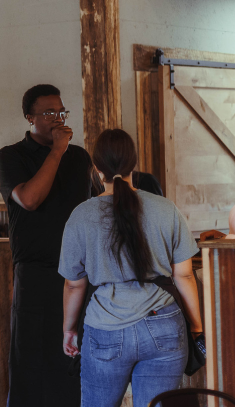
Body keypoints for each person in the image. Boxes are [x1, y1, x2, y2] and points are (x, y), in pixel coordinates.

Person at [60, 129, 202, 407]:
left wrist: (69, 330)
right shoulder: (166, 209)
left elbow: (73, 283)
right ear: (134, 165)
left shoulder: (81, 215)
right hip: (164, 325)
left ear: (97, 169)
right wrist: (196, 327)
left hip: (105, 327)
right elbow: (184, 275)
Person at [0, 84, 100, 407]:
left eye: (61, 112)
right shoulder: (11, 156)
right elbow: (29, 199)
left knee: (72, 359)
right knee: (32, 360)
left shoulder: (79, 156)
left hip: (78, 273)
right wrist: (56, 150)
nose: (57, 119)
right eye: (48, 113)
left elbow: (96, 206)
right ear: (30, 117)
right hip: (37, 273)